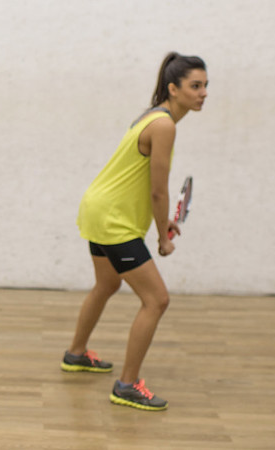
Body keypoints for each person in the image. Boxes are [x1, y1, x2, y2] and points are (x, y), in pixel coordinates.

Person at [62, 52, 208, 411]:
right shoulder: (165, 126)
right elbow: (159, 190)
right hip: (114, 220)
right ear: (173, 89)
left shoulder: (150, 116)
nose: (203, 93)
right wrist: (162, 236)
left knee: (107, 284)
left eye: (205, 86)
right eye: (195, 86)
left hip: (97, 208)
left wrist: (162, 222)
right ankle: (126, 385)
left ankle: (76, 354)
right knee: (157, 300)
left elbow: (142, 183)